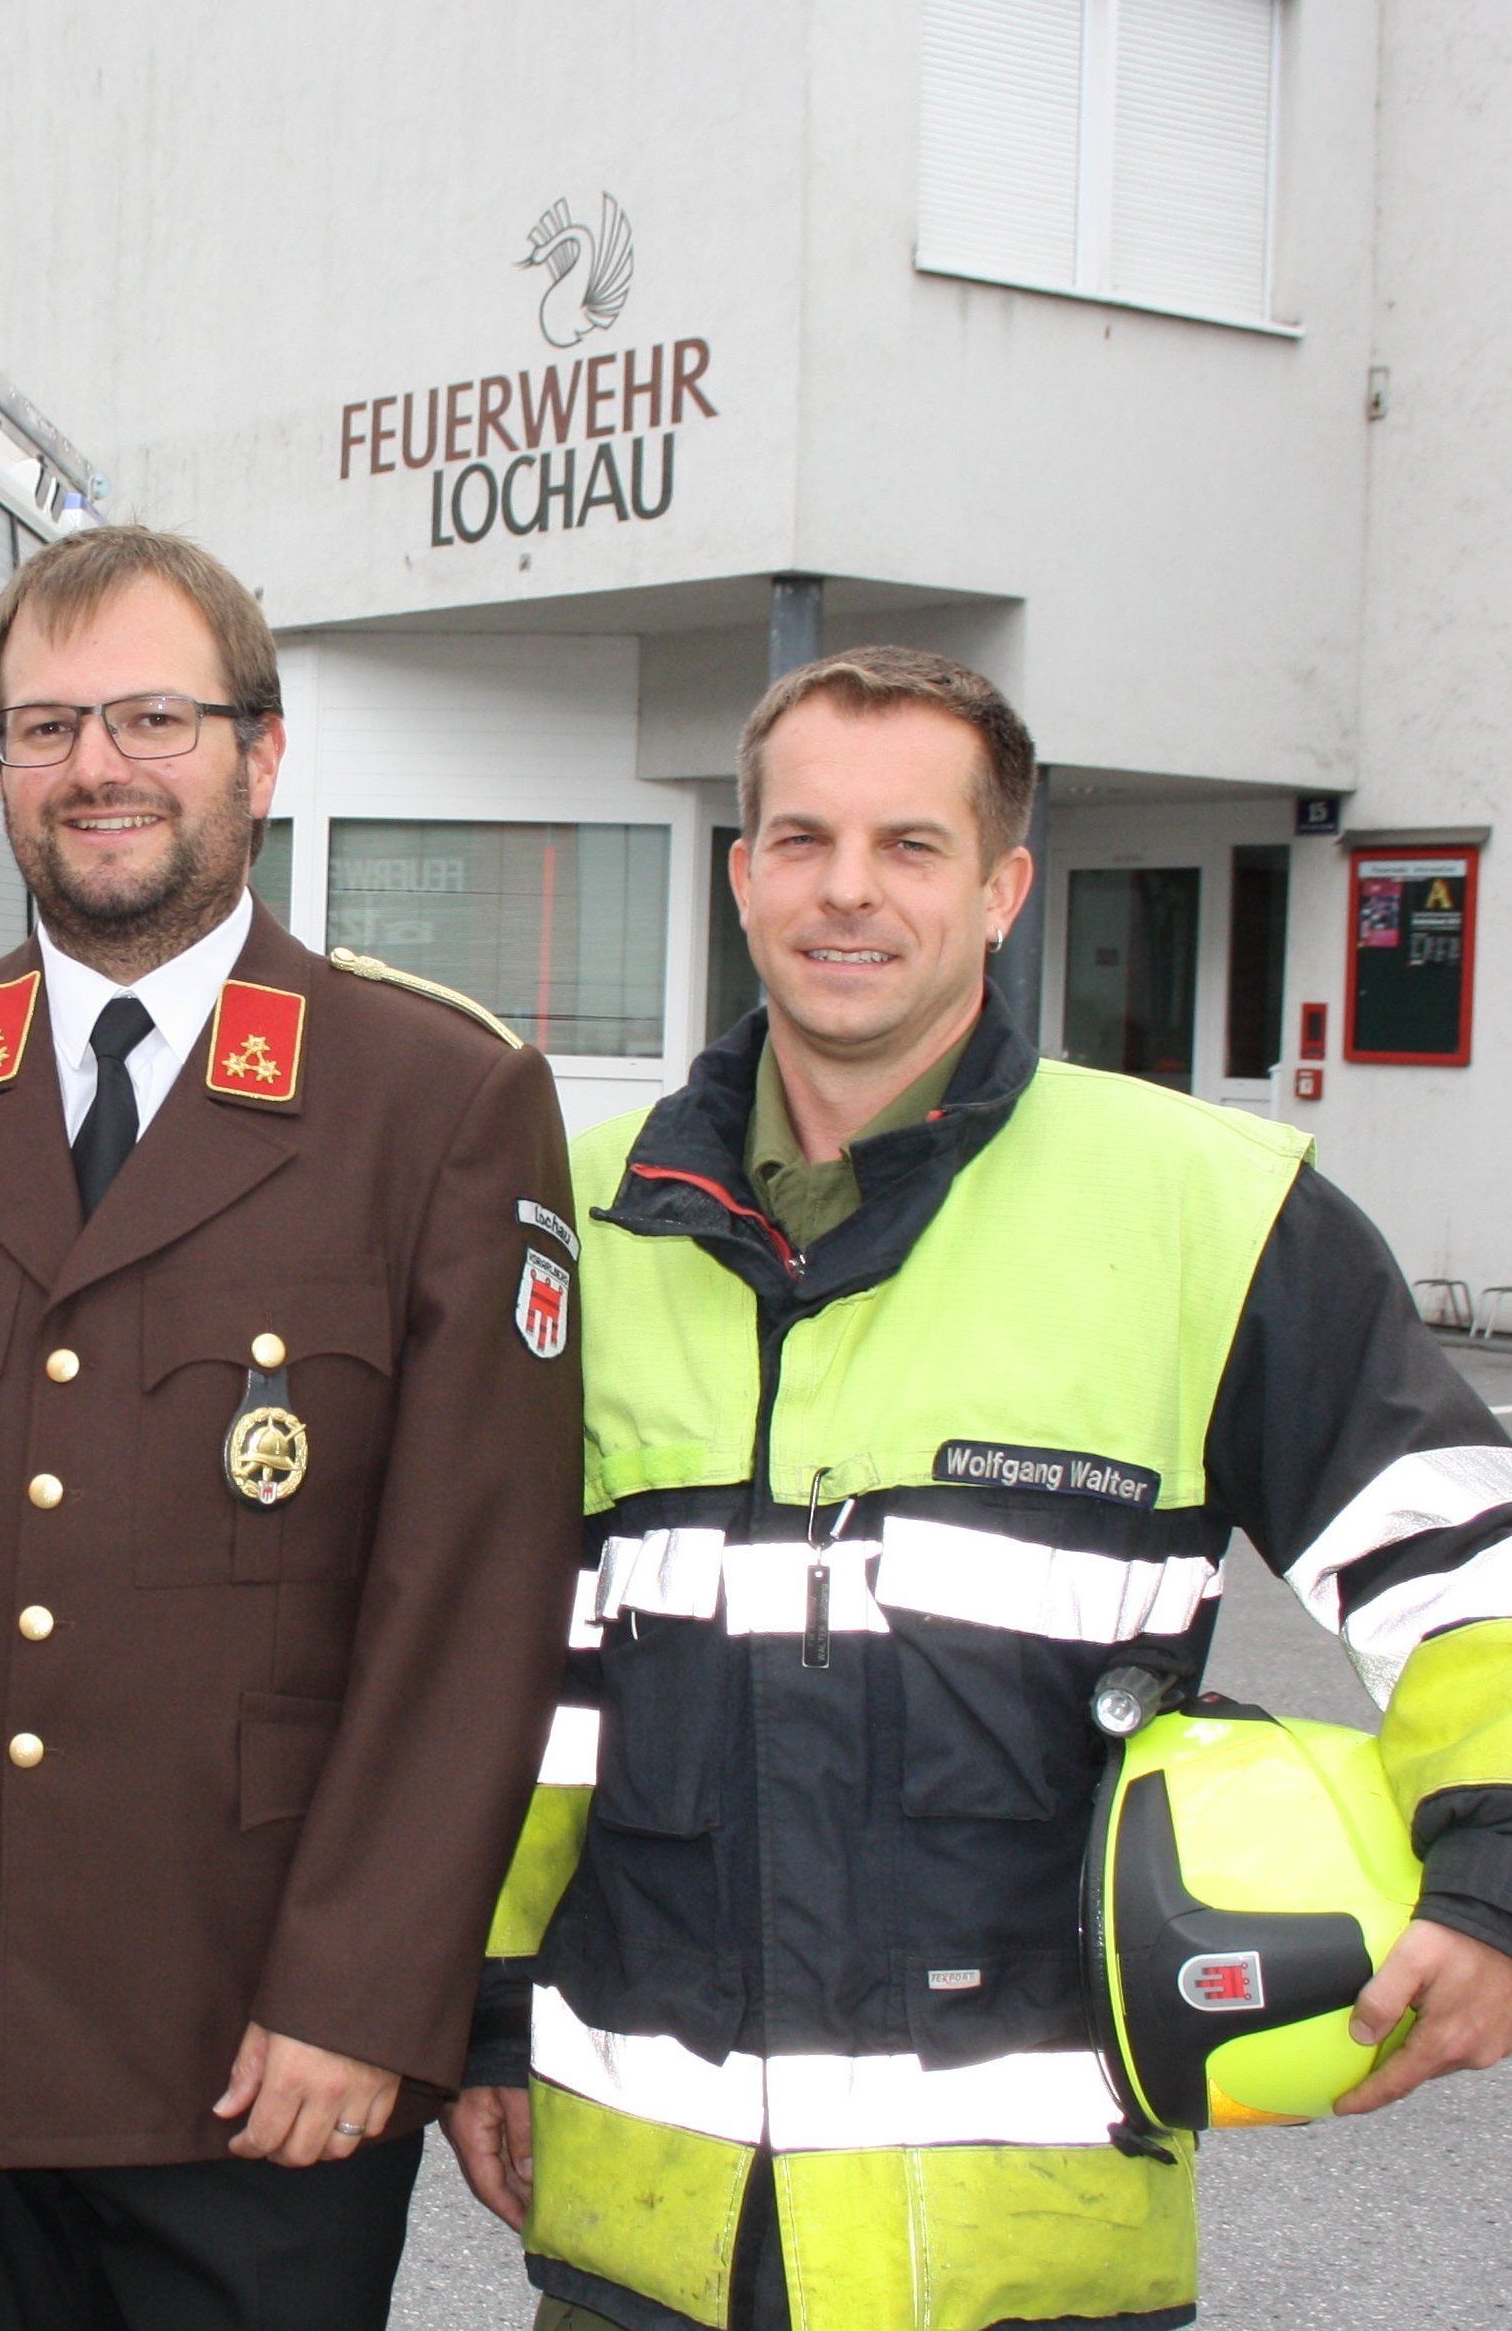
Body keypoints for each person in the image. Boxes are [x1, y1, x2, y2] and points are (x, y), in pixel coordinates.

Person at [448, 646, 1512, 2331]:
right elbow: (512, 1674)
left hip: (1022, 2257)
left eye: (909, 845)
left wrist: (1493, 1873)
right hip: (644, 2244)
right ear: (739, 875)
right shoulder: (574, 1220)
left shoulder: (1197, 1210)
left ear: (1005, 884)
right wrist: (484, 2007)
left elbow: (1461, 1564)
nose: (845, 890)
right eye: (797, 839)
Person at [0, 524, 583, 2330]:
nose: (95, 766)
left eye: (152, 718)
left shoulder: (436, 1101)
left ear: (260, 757)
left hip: (259, 2043)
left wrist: (365, 1988)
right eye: (43, 727)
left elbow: (473, 1602)